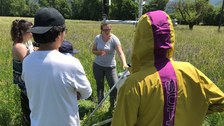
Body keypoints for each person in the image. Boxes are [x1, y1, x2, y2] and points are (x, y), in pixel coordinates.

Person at [111, 10, 224, 126]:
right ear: (170, 36)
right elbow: (220, 102)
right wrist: (194, 111)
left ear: (140, 38)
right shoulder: (190, 71)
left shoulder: (134, 84)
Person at [22, 7, 92, 126]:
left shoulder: (27, 61)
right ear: (60, 34)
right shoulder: (71, 63)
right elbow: (86, 93)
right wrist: (73, 93)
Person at [92, 23, 128, 110]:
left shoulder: (114, 39)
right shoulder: (97, 38)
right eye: (104, 30)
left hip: (110, 67)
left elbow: (120, 52)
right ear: (101, 29)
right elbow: (93, 50)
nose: (106, 31)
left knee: (114, 87)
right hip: (98, 66)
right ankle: (99, 105)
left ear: (111, 29)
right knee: (100, 86)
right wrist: (99, 52)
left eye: (108, 29)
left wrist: (124, 63)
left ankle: (112, 106)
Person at [11, 19, 34, 126]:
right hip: (25, 82)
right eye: (31, 30)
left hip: (25, 82)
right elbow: (29, 63)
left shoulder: (22, 44)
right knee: (29, 111)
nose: (33, 33)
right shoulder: (19, 46)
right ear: (24, 32)